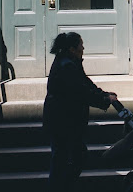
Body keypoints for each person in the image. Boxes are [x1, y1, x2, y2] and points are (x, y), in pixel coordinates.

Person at [43, 32, 118, 191]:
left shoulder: (71, 62)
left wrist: (104, 94)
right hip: (61, 121)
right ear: (72, 48)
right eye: (80, 44)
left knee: (70, 157)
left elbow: (85, 83)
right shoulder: (67, 66)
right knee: (66, 158)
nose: (83, 47)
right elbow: (81, 92)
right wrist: (104, 100)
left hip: (64, 120)